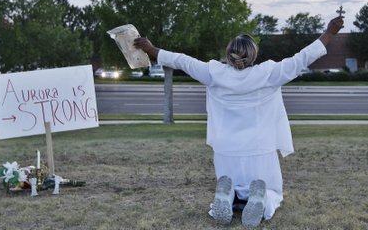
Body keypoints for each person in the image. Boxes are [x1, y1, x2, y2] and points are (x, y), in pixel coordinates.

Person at [134, 15, 344, 227]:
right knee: (271, 190)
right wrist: (329, 33)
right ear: (253, 55)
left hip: (226, 148)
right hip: (260, 147)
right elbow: (302, 58)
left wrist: (152, 50)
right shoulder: (268, 73)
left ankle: (229, 196)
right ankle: (263, 200)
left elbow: (182, 60)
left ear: (229, 54)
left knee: (230, 182)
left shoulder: (214, 73)